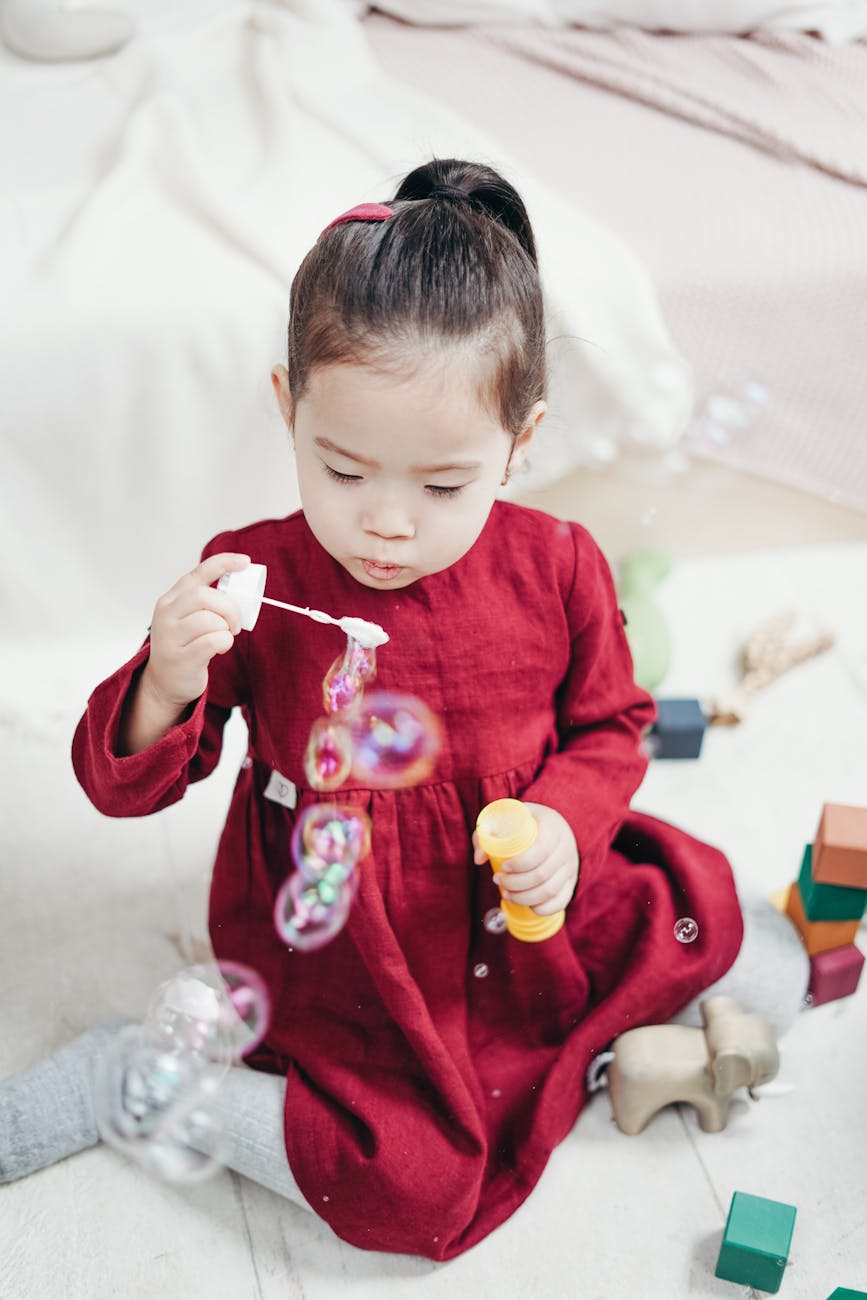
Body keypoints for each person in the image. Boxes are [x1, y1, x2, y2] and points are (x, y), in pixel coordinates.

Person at [0, 158, 808, 1260]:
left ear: (520, 448)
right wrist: (166, 679)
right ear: (290, 411)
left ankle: (588, 1020)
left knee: (754, 958)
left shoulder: (561, 565)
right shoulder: (254, 576)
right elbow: (124, 781)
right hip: (348, 937)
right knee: (409, 1192)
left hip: (521, 909)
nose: (385, 525)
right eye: (342, 469)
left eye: (441, 487)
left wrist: (566, 827)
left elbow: (611, 727)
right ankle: (130, 1079)